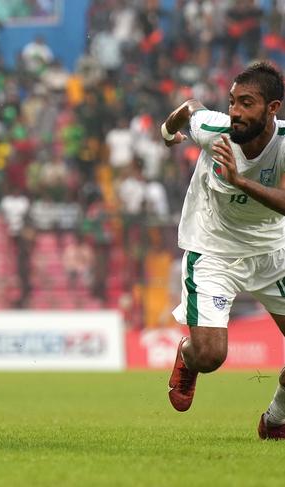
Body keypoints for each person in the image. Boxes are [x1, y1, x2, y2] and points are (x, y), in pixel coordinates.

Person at [160, 62, 285, 440]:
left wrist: (239, 182)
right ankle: (188, 355)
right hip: (213, 250)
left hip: (271, 252)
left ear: (273, 109)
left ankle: (276, 419)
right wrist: (168, 131)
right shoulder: (215, 130)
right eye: (232, 101)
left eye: (247, 103)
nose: (235, 111)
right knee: (212, 356)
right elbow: (191, 108)